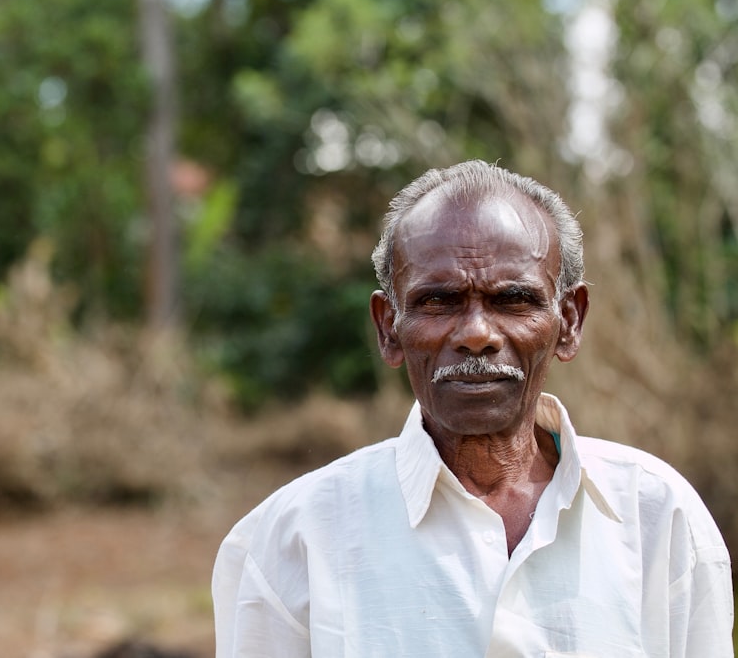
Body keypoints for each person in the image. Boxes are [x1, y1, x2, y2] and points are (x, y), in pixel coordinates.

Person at [211, 160, 734, 657]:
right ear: (388, 327)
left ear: (569, 321)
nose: (477, 335)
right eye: (439, 301)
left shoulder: (658, 517)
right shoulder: (292, 539)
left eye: (513, 300)